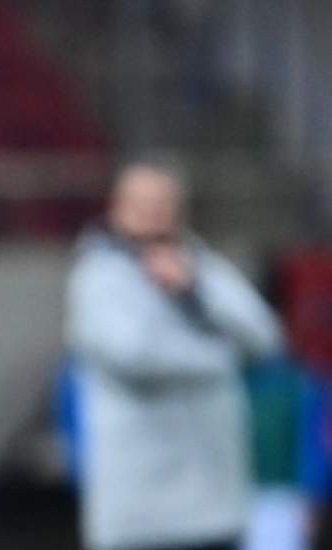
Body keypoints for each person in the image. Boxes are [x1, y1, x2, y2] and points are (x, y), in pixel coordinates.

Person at [65, 163, 282, 550]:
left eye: (163, 203)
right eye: (143, 203)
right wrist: (224, 359)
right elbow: (135, 356)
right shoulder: (98, 276)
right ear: (117, 207)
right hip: (139, 513)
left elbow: (265, 337)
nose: (154, 213)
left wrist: (193, 289)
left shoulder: (201, 266)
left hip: (217, 503)